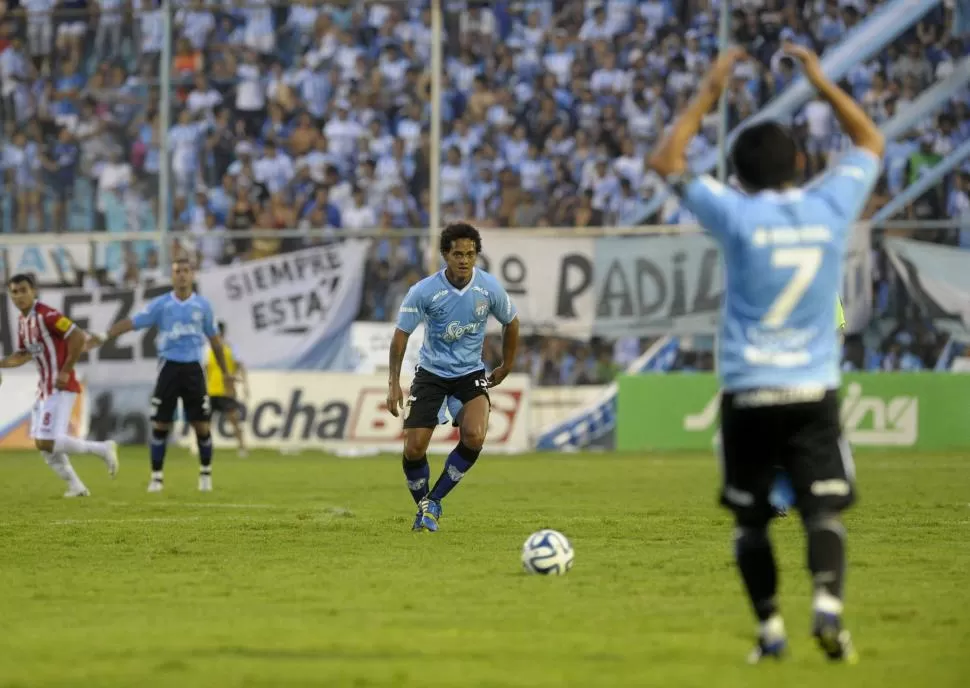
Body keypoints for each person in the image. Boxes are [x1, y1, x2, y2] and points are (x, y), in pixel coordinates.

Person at [648, 43, 883, 664]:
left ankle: (771, 630)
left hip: (749, 390)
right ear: (801, 162)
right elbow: (870, 143)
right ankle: (828, 608)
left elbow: (666, 159)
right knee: (822, 508)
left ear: (738, 175)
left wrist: (710, 92)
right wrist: (821, 82)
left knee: (751, 524)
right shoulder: (830, 205)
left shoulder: (735, 214)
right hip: (813, 390)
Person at [387, 222, 520, 532]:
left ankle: (432, 503)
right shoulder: (424, 291)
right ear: (445, 254)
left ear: (477, 256)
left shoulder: (488, 288)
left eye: (470, 254)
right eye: (458, 254)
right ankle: (425, 507)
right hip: (431, 374)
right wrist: (393, 383)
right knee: (414, 449)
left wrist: (506, 365)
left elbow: (511, 323)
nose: (464, 260)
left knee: (475, 435)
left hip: (469, 373)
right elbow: (400, 337)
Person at [86, 258, 234, 493]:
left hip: (194, 369)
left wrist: (226, 372)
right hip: (169, 368)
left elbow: (215, 341)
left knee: (201, 426)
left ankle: (205, 475)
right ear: (172, 276)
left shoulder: (203, 306)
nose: (182, 275)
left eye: (186, 271)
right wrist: (104, 336)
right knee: (161, 424)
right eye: (177, 271)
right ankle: (156, 477)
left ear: (192, 275)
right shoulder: (161, 305)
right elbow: (131, 323)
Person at [0, 274, 119, 497]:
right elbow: (23, 355)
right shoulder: (23, 322)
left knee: (48, 440)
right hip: (44, 388)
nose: (19, 296)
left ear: (33, 291)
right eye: (14, 292)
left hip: (61, 386)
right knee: (43, 445)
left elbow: (77, 337)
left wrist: (65, 370)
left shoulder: (47, 314)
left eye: (23, 290)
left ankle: (103, 448)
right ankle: (76, 486)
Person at [207, 321, 249, 457]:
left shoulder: (231, 348)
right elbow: (205, 368)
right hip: (212, 390)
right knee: (205, 422)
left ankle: (242, 447)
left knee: (234, 420)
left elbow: (240, 365)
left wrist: (243, 384)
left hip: (226, 391)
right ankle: (204, 447)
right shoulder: (207, 349)